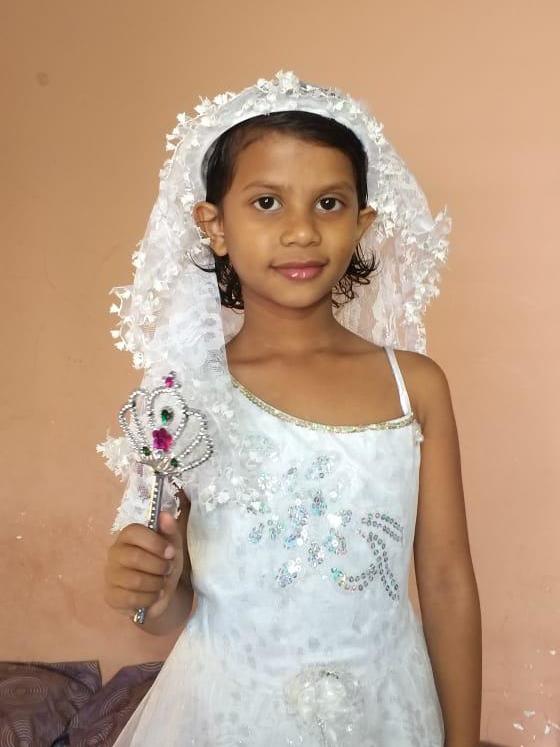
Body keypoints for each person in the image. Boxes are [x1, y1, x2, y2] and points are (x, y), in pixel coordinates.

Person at [99, 71, 481, 746]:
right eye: (268, 202)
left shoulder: (414, 387)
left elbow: (447, 584)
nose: (301, 230)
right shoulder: (182, 401)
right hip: (227, 716)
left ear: (362, 223)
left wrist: (464, 739)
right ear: (215, 225)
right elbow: (172, 610)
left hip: (386, 715)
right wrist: (149, 591)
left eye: (329, 203)